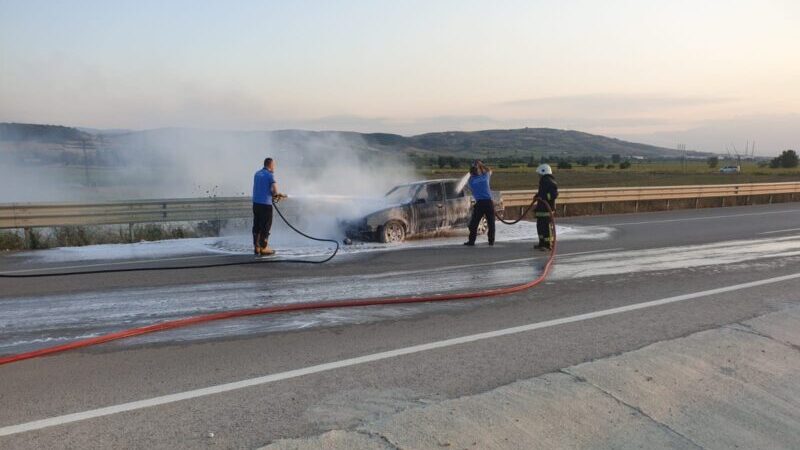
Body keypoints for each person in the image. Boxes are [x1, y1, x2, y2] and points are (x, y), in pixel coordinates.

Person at [252, 157, 281, 256]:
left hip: (256, 204)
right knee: (265, 226)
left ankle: (256, 247)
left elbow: (261, 187)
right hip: (265, 205)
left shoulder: (257, 174)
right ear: (270, 165)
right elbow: (274, 190)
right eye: (274, 165)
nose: (274, 167)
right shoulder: (269, 175)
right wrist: (277, 195)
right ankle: (264, 248)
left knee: (257, 225)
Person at [464, 160, 496, 246]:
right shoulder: (485, 176)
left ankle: (471, 241)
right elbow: (489, 170)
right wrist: (481, 164)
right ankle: (491, 241)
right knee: (491, 223)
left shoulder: (471, 180)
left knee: (473, 224)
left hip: (480, 203)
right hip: (488, 202)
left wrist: (476, 166)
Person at [534, 163, 558, 251]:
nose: (538, 176)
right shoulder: (544, 181)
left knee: (546, 228)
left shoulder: (549, 181)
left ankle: (548, 244)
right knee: (540, 227)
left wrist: (543, 197)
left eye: (539, 174)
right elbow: (543, 192)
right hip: (541, 209)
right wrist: (537, 196)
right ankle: (542, 243)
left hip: (547, 209)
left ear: (543, 172)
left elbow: (554, 194)